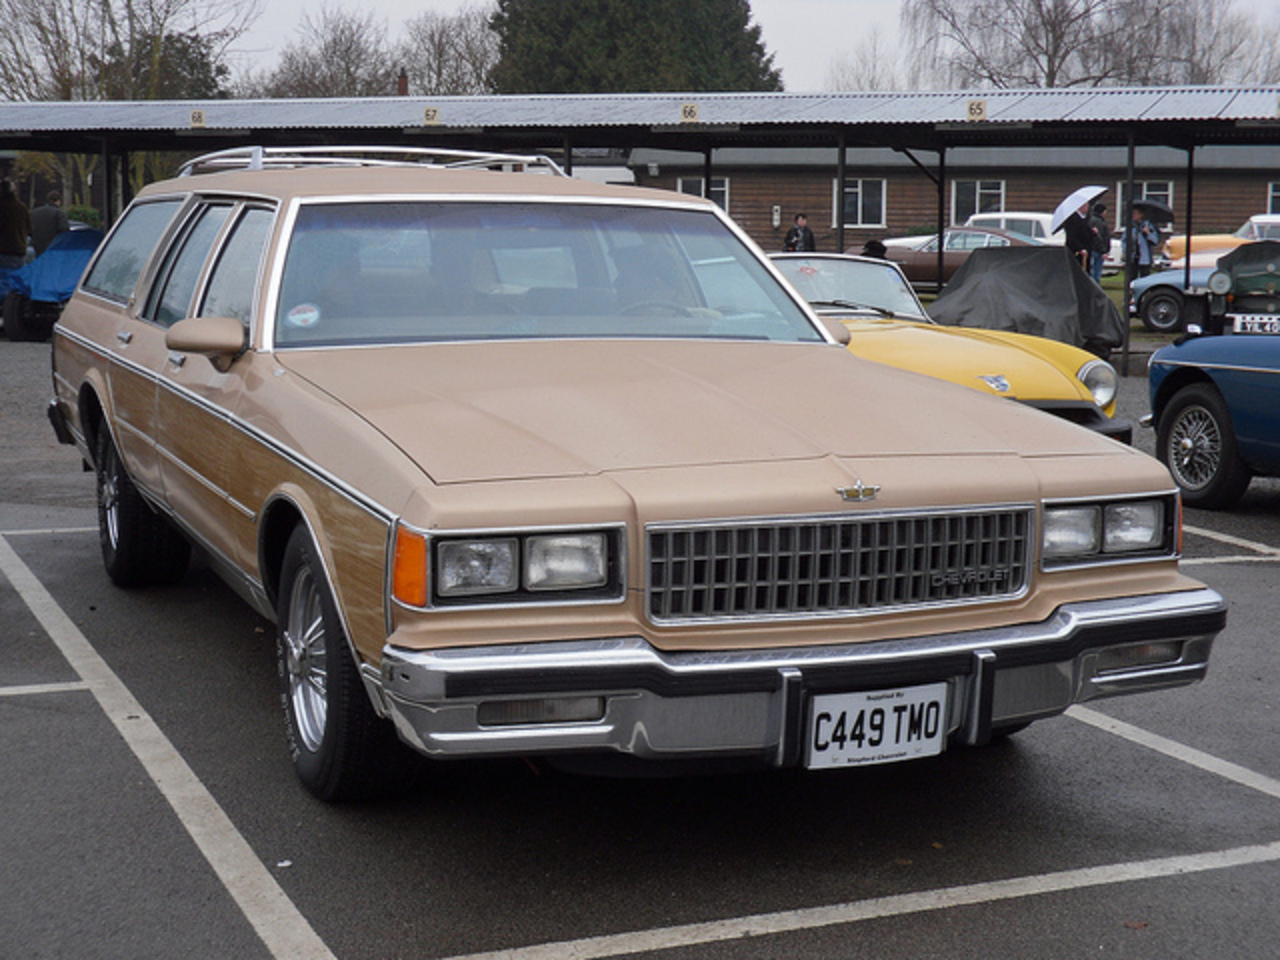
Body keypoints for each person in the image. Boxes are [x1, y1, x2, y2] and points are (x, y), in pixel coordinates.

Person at [0, 178, 32, 270]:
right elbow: (29, 229)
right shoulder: (21, 208)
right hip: (17, 251)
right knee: (14, 281)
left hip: (2, 250)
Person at [1124, 204, 1160, 279]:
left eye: (1135, 213)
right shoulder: (1130, 226)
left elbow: (1155, 241)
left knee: (1145, 277)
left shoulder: (1148, 225)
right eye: (1132, 213)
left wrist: (1148, 233)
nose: (1133, 215)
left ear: (1141, 214)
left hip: (1144, 257)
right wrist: (1126, 250)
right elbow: (1124, 240)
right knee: (1131, 277)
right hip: (1132, 257)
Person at [31, 190, 70, 256]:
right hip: (53, 248)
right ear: (58, 201)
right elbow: (65, 230)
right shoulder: (58, 213)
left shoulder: (34, 213)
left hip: (36, 248)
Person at [1062, 202, 1093, 271]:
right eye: (1086, 206)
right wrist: (1080, 248)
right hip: (1076, 253)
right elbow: (1071, 237)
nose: (1088, 208)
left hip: (1086, 251)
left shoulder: (1083, 218)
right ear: (1082, 206)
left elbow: (1085, 234)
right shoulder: (1072, 219)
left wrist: (1092, 232)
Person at [1087, 202, 1110, 282]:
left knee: (1091, 270)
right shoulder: (1101, 222)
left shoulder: (1089, 220)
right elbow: (1102, 237)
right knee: (1096, 272)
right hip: (1098, 250)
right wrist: (1104, 250)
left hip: (1092, 249)